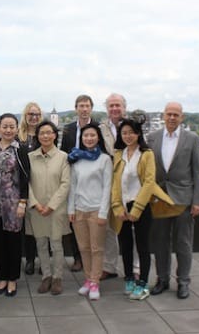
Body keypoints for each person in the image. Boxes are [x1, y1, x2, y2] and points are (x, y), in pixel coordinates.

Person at [111, 117, 173, 301]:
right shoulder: (118, 155)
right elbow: (115, 183)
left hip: (141, 205)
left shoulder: (146, 154)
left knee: (143, 246)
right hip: (122, 206)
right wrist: (117, 207)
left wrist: (136, 209)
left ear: (138, 134)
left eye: (131, 132)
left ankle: (143, 283)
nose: (128, 136)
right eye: (124, 133)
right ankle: (129, 278)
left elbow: (149, 183)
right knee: (126, 246)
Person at [147, 102, 199, 299]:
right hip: (160, 199)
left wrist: (198, 201)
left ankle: (183, 282)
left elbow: (198, 171)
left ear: (182, 117)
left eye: (175, 115)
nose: (172, 118)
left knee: (183, 243)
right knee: (161, 243)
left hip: (183, 199)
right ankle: (162, 279)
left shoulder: (192, 139)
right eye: (169, 114)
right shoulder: (152, 138)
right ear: (163, 116)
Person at [0, 113, 30, 297]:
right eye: (5, 126)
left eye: (12, 126)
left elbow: (27, 177)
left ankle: (12, 280)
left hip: (13, 204)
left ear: (17, 128)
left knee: (13, 243)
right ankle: (1, 278)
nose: (8, 130)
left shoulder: (21, 149)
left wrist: (22, 202)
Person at [67, 123, 112, 300]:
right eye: (86, 136)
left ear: (98, 137)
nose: (89, 138)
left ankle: (95, 281)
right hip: (79, 209)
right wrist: (70, 208)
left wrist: (103, 212)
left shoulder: (105, 159)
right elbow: (72, 186)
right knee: (84, 248)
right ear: (82, 138)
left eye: (92, 135)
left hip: (96, 210)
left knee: (96, 248)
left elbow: (107, 187)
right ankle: (88, 278)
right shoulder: (76, 158)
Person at [28, 120, 71, 295]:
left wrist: (52, 206)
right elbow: (26, 183)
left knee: (56, 244)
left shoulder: (63, 157)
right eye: (42, 133)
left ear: (55, 135)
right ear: (37, 136)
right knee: (41, 243)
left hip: (56, 209)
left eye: (49, 132)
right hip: (36, 208)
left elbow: (65, 183)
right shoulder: (30, 157)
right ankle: (46, 276)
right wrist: (36, 204)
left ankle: (57, 277)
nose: (45, 136)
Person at [60, 94, 96, 272]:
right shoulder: (67, 129)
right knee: (74, 219)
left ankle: (91, 256)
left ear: (91, 108)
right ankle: (77, 257)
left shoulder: (98, 127)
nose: (84, 109)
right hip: (73, 178)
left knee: (91, 219)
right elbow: (63, 154)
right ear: (76, 108)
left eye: (87, 106)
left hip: (91, 180)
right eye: (80, 106)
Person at [98, 93, 128, 280]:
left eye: (118, 105)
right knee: (109, 227)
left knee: (131, 226)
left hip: (129, 182)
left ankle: (134, 267)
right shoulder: (101, 129)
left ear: (124, 107)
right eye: (111, 106)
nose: (114, 109)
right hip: (108, 182)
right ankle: (109, 266)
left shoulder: (132, 127)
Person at [18, 102, 43, 275]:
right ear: (25, 115)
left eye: (37, 114)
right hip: (24, 185)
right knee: (28, 227)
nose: (34, 117)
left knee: (44, 225)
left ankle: (44, 260)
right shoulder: (19, 137)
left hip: (43, 185)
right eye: (30, 114)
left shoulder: (45, 134)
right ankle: (30, 259)